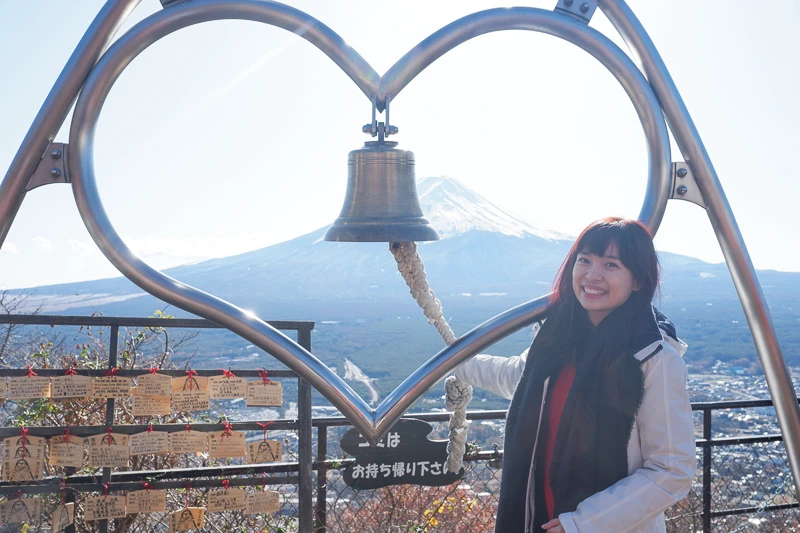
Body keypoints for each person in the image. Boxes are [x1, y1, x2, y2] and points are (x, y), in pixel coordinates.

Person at [455, 217, 696, 533]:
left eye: (611, 265)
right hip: (536, 516)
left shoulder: (654, 360)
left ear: (637, 280)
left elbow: (671, 470)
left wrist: (583, 523)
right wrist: (452, 362)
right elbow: (514, 376)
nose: (592, 275)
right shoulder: (556, 343)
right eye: (585, 260)